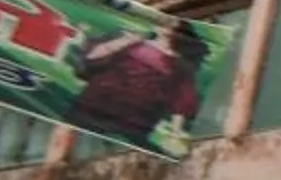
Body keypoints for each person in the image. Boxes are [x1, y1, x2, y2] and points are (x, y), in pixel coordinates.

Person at [66, 18, 206, 152]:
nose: (169, 30)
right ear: (158, 27)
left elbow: (182, 102)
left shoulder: (180, 66)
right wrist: (124, 41)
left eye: (176, 29)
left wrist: (176, 134)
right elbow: (93, 57)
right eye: (167, 25)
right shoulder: (132, 43)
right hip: (94, 108)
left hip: (134, 123)